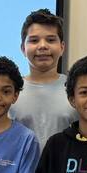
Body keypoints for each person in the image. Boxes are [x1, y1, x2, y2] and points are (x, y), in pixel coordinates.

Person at [9, 8, 77, 145]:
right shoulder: (10, 92)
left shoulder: (76, 89)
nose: (43, 46)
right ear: (23, 48)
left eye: (51, 40)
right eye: (34, 40)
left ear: (62, 47)